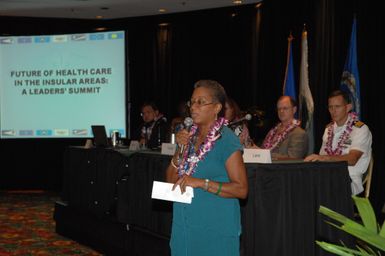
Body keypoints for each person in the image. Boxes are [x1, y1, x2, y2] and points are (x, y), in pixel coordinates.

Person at [166, 80, 248, 256]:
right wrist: (179, 150)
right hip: (185, 227)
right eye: (192, 102)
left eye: (200, 102)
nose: (193, 107)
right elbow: (170, 181)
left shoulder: (226, 140)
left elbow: (241, 189)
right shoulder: (188, 137)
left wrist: (201, 183)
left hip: (215, 230)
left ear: (217, 108)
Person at [305, 90, 372, 195]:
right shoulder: (328, 130)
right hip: (327, 175)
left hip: (348, 179)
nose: (333, 111)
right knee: (302, 180)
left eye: (337, 106)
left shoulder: (360, 128)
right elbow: (322, 157)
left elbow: (352, 159)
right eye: (330, 107)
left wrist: (325, 158)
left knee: (316, 187)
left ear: (348, 107)